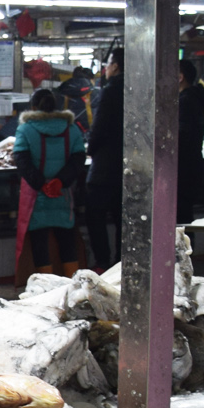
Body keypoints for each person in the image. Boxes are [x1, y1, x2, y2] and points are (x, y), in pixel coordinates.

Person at [14, 87, 85, 276]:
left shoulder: (25, 129)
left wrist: (41, 184)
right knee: (67, 241)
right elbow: (79, 158)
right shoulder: (71, 129)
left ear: (33, 106)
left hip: (37, 197)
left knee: (39, 243)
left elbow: (22, 160)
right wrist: (61, 182)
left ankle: (45, 290)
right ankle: (73, 287)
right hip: (63, 195)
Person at [84, 48, 123, 270]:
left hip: (105, 167)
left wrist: (91, 149)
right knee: (122, 218)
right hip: (132, 166)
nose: (106, 68)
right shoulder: (141, 89)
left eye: (108, 63)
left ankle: (102, 262)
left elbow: (99, 128)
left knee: (95, 214)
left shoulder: (109, 91)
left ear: (115, 65)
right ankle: (121, 262)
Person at [178, 59, 204, 223]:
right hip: (192, 166)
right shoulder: (196, 98)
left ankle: (183, 249)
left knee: (181, 217)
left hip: (183, 169)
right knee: (185, 215)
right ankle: (186, 248)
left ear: (180, 77)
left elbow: (182, 135)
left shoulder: (185, 101)